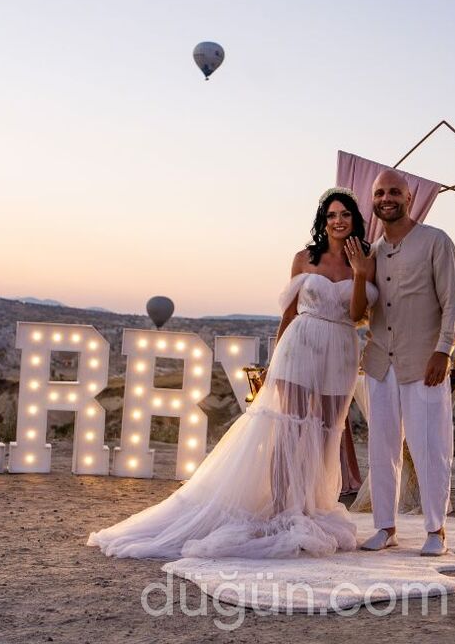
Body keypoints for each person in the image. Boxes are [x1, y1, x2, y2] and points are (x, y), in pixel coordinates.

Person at [86, 187, 376, 559]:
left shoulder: (365, 260)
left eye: (345, 215)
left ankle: (313, 507)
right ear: (323, 221)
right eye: (331, 215)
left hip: (341, 350)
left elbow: (357, 318)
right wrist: (274, 361)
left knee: (326, 432)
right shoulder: (304, 258)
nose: (338, 221)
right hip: (300, 346)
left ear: (354, 220)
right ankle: (284, 509)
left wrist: (360, 272)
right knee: (288, 428)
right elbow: (288, 314)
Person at [351, 169, 455, 557]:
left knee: (430, 446)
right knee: (382, 448)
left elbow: (453, 301)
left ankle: (437, 529)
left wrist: (444, 350)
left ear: (409, 196)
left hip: (424, 361)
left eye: (394, 191)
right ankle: (386, 526)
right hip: (380, 362)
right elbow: (363, 312)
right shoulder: (372, 253)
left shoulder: (436, 242)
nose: (386, 198)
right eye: (380, 192)